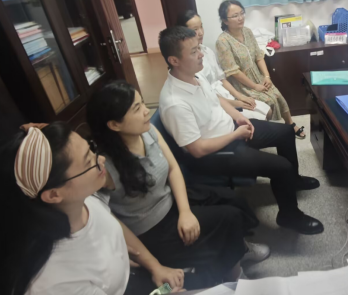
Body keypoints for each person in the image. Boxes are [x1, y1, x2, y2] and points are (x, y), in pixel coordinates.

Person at [87, 81, 267, 289]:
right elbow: (108, 220)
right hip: (153, 228)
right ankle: (235, 276)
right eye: (137, 109)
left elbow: (172, 168)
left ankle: (238, 248)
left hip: (171, 200)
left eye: (143, 103)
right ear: (114, 124)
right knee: (229, 218)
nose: (146, 111)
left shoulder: (147, 131)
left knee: (233, 199)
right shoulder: (104, 167)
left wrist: (185, 212)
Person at [158, 26, 324, 235]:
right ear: (174, 60)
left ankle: (294, 180)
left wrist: (238, 117)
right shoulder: (175, 103)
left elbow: (216, 99)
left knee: (286, 132)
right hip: (216, 153)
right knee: (281, 166)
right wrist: (235, 135)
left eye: (198, 48)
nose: (201, 54)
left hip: (231, 129)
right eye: (193, 51)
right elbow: (197, 150)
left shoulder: (194, 76)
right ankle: (289, 216)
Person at [0, 122, 182, 295]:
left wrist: (155, 266)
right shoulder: (54, 281)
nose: (101, 160)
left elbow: (110, 221)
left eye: (91, 149)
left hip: (135, 278)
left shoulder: (82, 200)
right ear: (53, 194)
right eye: (89, 162)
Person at [215, 0, 306, 139]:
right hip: (242, 84)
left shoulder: (247, 32)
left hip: (259, 77)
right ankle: (272, 132)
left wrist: (267, 76)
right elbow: (234, 71)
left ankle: (290, 124)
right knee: (269, 101)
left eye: (241, 13)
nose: (240, 18)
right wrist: (254, 86)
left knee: (278, 96)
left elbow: (258, 56)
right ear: (225, 20)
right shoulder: (222, 41)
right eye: (235, 16)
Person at [177, 10, 271, 120]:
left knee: (268, 111)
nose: (201, 33)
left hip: (227, 95)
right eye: (195, 29)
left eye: (201, 27)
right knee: (261, 118)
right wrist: (235, 104)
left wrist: (239, 96)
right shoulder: (188, 63)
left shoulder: (207, 51)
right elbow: (206, 95)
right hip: (216, 106)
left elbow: (221, 79)